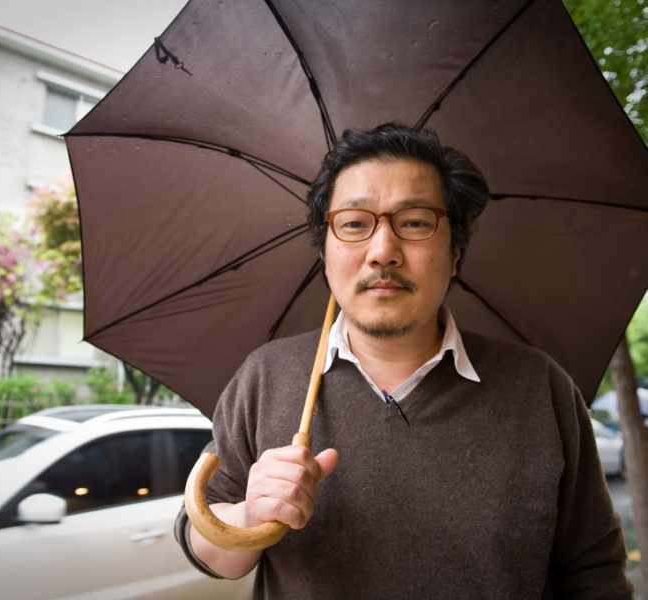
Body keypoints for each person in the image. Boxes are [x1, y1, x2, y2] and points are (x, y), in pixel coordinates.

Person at [174, 122, 632, 598]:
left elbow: (593, 572)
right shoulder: (266, 376)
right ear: (325, 253)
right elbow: (204, 540)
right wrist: (249, 515)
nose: (382, 252)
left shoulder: (539, 387)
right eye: (354, 223)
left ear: (455, 255)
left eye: (414, 222)